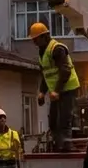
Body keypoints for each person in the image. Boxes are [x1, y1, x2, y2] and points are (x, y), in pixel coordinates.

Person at [29, 22, 80, 151]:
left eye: (36, 39)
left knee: (64, 117)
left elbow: (65, 71)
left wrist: (56, 91)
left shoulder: (57, 49)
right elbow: (47, 75)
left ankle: (67, 145)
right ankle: (59, 145)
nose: (34, 42)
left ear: (44, 36)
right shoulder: (42, 52)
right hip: (56, 91)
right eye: (33, 40)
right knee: (53, 120)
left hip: (68, 88)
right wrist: (42, 92)